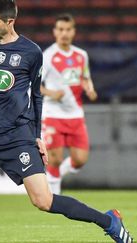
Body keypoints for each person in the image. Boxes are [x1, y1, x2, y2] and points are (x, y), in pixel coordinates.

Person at [0, 1, 133, 243]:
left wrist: (37, 136)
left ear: (9, 22)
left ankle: (108, 221)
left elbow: (36, 96)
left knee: (44, 201)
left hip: (16, 139)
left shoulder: (31, 52)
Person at [40, 13, 98, 195]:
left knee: (80, 159)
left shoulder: (81, 55)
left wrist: (90, 89)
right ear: (54, 32)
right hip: (53, 115)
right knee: (55, 159)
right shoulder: (47, 56)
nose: (64, 33)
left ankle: (53, 179)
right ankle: (55, 198)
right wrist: (51, 93)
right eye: (60, 29)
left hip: (75, 115)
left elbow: (85, 78)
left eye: (68, 29)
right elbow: (33, 85)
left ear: (73, 32)